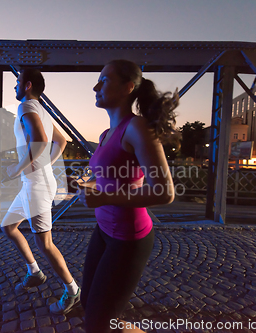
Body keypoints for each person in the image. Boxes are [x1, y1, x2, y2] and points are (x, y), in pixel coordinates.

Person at [78, 59, 179, 332]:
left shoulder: (137, 128)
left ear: (128, 87)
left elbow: (164, 191)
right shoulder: (105, 134)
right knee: (88, 304)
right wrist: (86, 182)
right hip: (103, 230)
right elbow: (102, 174)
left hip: (129, 238)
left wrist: (105, 197)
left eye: (105, 80)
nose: (96, 86)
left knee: (98, 324)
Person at [1, 68, 81, 315]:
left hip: (36, 185)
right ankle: (34, 272)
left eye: (17, 82)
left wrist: (17, 167)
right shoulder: (41, 110)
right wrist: (45, 162)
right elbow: (62, 141)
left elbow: (40, 140)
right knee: (9, 226)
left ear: (27, 85)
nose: (14, 86)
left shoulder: (26, 108)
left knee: (45, 243)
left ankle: (73, 291)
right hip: (33, 183)